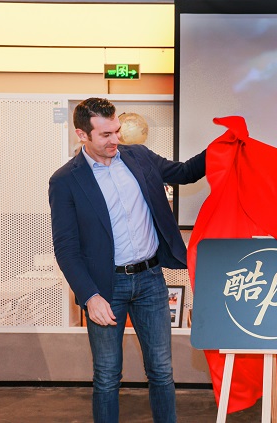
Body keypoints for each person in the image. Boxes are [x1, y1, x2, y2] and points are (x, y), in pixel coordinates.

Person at [48, 97, 206, 423]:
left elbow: (186, 172)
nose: (115, 140)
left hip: (150, 280)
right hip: (105, 288)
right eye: (105, 135)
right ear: (82, 135)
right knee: (107, 375)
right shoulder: (65, 181)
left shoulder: (140, 157)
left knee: (161, 370)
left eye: (117, 131)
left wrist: (223, 147)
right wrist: (90, 296)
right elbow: (66, 248)